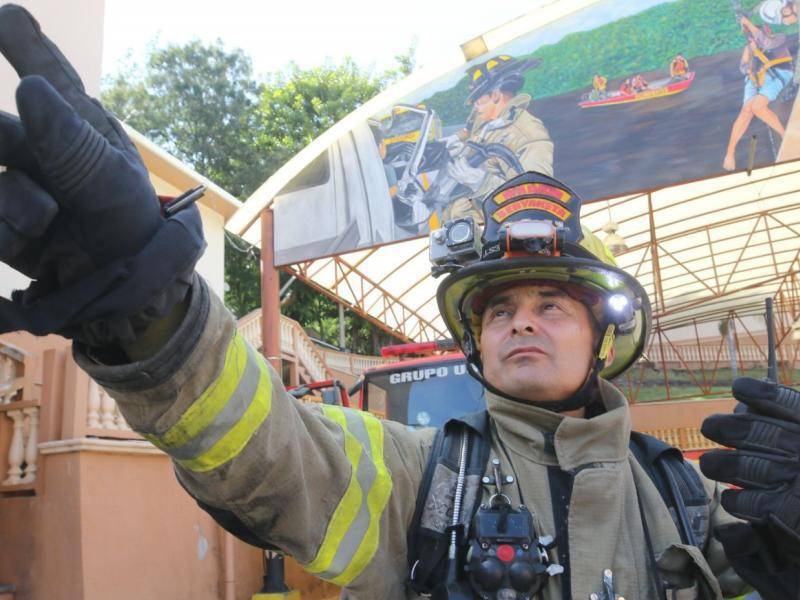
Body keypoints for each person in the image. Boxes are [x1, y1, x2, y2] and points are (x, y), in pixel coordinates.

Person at [1, 5, 800, 599]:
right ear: (477, 345)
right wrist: (149, 307)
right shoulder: (420, 474)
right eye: (496, 311)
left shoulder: (685, 496)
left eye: (552, 305)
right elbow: (268, 448)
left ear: (600, 339)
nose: (519, 319)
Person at [444, 54, 553, 223]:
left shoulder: (528, 133)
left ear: (495, 95)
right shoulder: (486, 121)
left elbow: (534, 198)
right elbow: (470, 130)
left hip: (505, 239)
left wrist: (482, 182)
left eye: (479, 99)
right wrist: (459, 142)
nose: (475, 106)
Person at [723, 16, 793, 171]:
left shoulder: (778, 39)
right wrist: (749, 61)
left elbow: (766, 42)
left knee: (758, 106)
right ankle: (730, 153)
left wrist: (748, 23)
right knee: (746, 110)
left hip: (778, 73)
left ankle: (784, 135)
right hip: (755, 78)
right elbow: (742, 68)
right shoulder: (749, 48)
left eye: (757, 34)